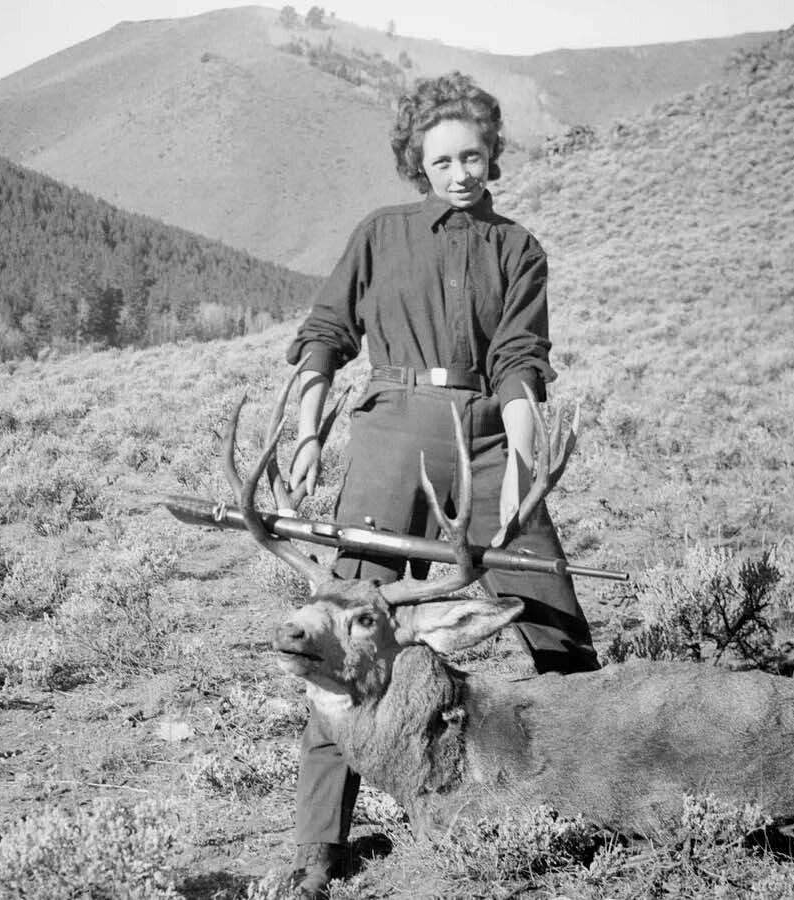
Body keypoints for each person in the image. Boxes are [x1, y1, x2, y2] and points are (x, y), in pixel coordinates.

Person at [280, 71, 600, 898]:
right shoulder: (381, 233)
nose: (461, 172)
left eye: (475, 156)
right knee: (346, 634)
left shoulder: (518, 249)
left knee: (557, 625)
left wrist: (524, 470)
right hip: (387, 433)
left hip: (488, 441)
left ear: (493, 155)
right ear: (416, 162)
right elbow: (325, 336)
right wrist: (310, 434)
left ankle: (593, 794)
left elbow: (521, 366)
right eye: (443, 159)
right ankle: (318, 846)